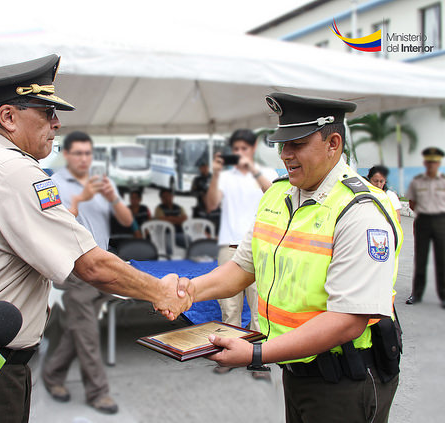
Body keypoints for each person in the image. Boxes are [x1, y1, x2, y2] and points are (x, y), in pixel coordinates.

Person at [0, 55, 190, 423]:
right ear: (8, 117)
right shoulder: (9, 168)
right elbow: (91, 265)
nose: (57, 123)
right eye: (47, 111)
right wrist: (161, 291)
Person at [176, 92, 403, 423]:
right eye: (282, 144)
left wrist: (256, 353)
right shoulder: (277, 194)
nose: (285, 155)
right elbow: (242, 268)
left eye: (296, 143)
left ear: (333, 143)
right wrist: (189, 291)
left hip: (345, 381)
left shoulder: (360, 211)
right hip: (298, 369)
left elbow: (348, 320)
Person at [42, 131, 133, 414]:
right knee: (88, 332)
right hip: (76, 268)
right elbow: (49, 224)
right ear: (66, 155)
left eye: (88, 153)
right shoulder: (52, 184)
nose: (84, 159)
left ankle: (53, 374)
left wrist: (112, 198)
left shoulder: (101, 182)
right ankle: (98, 392)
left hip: (103, 265)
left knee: (77, 328)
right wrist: (79, 200)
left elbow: (127, 220)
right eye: (78, 153)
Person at [204, 129, 278, 374]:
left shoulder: (267, 173)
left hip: (260, 247)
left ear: (253, 148)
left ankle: (257, 358)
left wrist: (253, 170)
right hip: (229, 247)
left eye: (244, 149)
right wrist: (215, 173)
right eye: (235, 150)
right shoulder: (225, 176)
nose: (239, 154)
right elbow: (211, 204)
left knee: (259, 307)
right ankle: (229, 356)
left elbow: (275, 197)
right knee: (229, 307)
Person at [405, 147, 445, 307]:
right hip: (422, 222)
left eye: (435, 162)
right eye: (429, 161)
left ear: (438, 163)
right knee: (420, 258)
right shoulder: (417, 182)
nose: (432, 165)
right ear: (425, 163)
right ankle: (417, 293)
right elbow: (411, 203)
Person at [190, 158, 221, 233]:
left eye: (205, 166)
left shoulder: (212, 178)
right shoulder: (197, 179)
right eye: (202, 167)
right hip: (201, 206)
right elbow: (192, 192)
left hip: (214, 207)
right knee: (200, 227)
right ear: (200, 168)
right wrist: (201, 193)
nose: (204, 168)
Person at [154, 188, 188, 253]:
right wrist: (178, 220)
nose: (166, 198)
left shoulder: (179, 207)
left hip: (178, 233)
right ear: (161, 199)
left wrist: (169, 218)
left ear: (172, 196)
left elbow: (184, 220)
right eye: (164, 197)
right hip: (165, 234)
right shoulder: (159, 208)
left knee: (189, 241)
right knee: (169, 248)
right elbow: (162, 220)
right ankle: (169, 261)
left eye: (168, 196)